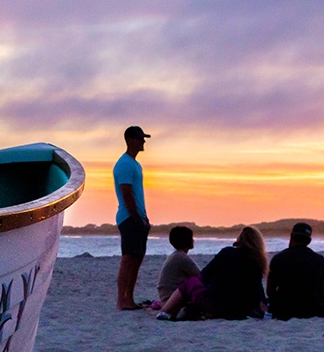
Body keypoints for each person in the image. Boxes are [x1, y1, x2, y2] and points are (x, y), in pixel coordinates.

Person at [157, 226, 267, 321]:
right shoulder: (257, 262)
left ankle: (164, 311)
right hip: (240, 309)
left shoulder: (227, 252)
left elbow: (203, 276)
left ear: (239, 240)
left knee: (190, 283)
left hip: (217, 304)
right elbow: (258, 289)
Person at [113, 125, 151, 310]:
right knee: (128, 259)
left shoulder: (136, 164)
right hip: (128, 218)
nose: (143, 141)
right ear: (130, 140)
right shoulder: (125, 164)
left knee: (136, 259)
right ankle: (122, 299)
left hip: (138, 217)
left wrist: (144, 219)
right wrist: (136, 217)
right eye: (139, 138)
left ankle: (130, 298)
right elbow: (126, 193)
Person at [267, 222, 324, 320]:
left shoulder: (278, 258)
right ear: (309, 240)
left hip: (284, 309)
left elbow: (270, 291)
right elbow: (323, 292)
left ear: (291, 236)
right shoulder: (319, 260)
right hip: (312, 308)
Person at [154, 225, 199, 308]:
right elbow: (200, 276)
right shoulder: (181, 257)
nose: (193, 240)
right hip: (172, 300)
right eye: (191, 238)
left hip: (167, 298)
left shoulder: (175, 255)